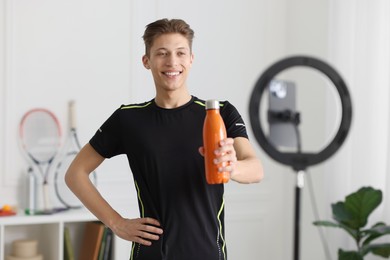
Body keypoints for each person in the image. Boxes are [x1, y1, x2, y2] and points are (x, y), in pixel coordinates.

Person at [65, 18, 263, 260]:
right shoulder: (128, 119)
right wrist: (116, 223)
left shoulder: (219, 113)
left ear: (191, 59)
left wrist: (232, 167)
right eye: (162, 53)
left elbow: (255, 170)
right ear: (146, 61)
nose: (172, 62)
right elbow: (75, 174)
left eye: (181, 53)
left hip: (207, 253)